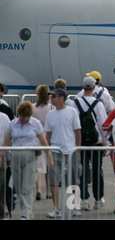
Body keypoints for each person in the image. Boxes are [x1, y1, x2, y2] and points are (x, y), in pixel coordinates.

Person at [1, 101, 54, 220]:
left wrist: (49, 156)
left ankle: (25, 213)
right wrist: (2, 156)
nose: (23, 118)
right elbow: (7, 141)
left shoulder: (36, 124)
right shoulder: (13, 124)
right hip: (15, 158)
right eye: (21, 115)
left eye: (25, 116)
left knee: (27, 186)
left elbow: (43, 140)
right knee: (19, 187)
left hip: (30, 158)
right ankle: (28, 212)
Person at [44, 88, 82, 218]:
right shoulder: (50, 114)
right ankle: (56, 208)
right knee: (53, 180)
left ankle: (75, 206)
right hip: (55, 151)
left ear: (61, 98)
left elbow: (77, 132)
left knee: (73, 179)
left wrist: (78, 149)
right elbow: (48, 134)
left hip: (71, 151)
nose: (51, 98)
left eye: (54, 96)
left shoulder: (72, 112)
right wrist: (47, 152)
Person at [73, 76, 108, 211]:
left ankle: (84, 199)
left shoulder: (75, 103)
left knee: (82, 171)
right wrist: (105, 145)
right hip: (95, 143)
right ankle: (98, 198)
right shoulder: (98, 104)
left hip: (80, 142)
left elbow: (74, 125)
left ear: (82, 87)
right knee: (97, 169)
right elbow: (102, 126)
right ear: (94, 87)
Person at [32, 84, 53, 201]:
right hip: (48, 138)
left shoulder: (33, 107)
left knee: (38, 166)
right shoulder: (51, 108)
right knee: (48, 166)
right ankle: (49, 191)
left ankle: (38, 189)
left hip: (36, 138)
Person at [0, 112, 10, 220]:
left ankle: (2, 213)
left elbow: (8, 139)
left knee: (1, 186)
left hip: (1, 156)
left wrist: (8, 155)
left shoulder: (4, 118)